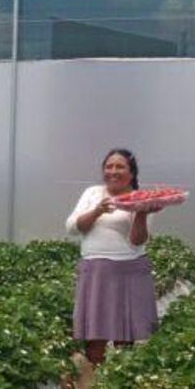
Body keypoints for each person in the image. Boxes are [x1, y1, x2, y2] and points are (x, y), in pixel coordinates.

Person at [65, 148, 159, 370]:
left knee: (125, 334)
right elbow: (72, 227)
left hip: (129, 270)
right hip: (96, 270)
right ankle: (95, 377)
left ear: (132, 173)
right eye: (109, 166)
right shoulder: (92, 194)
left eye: (120, 167)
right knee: (95, 333)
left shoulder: (141, 198)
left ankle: (118, 379)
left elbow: (137, 241)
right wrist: (97, 211)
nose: (113, 171)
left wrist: (141, 213)